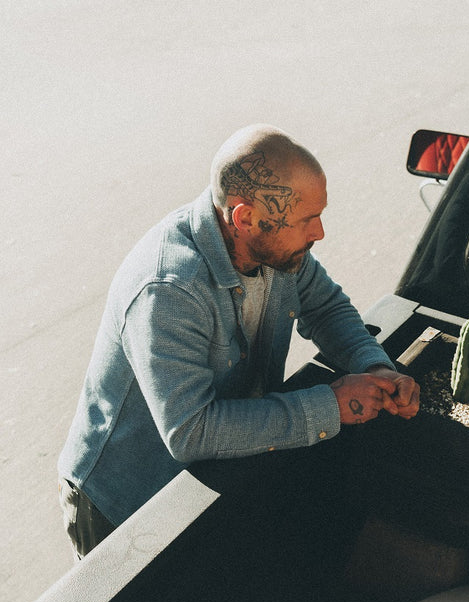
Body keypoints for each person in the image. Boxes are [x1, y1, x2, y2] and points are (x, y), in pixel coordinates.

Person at [58, 124, 420, 558]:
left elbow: (326, 308)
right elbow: (191, 430)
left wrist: (373, 366)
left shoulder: (275, 247)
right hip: (127, 503)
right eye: (308, 219)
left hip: (208, 475)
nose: (319, 232)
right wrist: (329, 405)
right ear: (245, 217)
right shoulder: (170, 289)